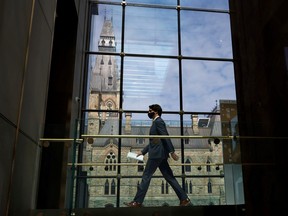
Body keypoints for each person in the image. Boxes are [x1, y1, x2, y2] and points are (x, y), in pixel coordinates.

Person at [124, 104, 191, 207]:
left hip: (156, 155)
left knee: (146, 176)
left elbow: (165, 137)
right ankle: (184, 199)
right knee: (169, 177)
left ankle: (137, 202)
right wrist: (143, 152)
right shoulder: (156, 122)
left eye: (150, 110)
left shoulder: (159, 122)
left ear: (155, 112)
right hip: (160, 154)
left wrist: (172, 151)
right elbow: (153, 141)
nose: (148, 112)